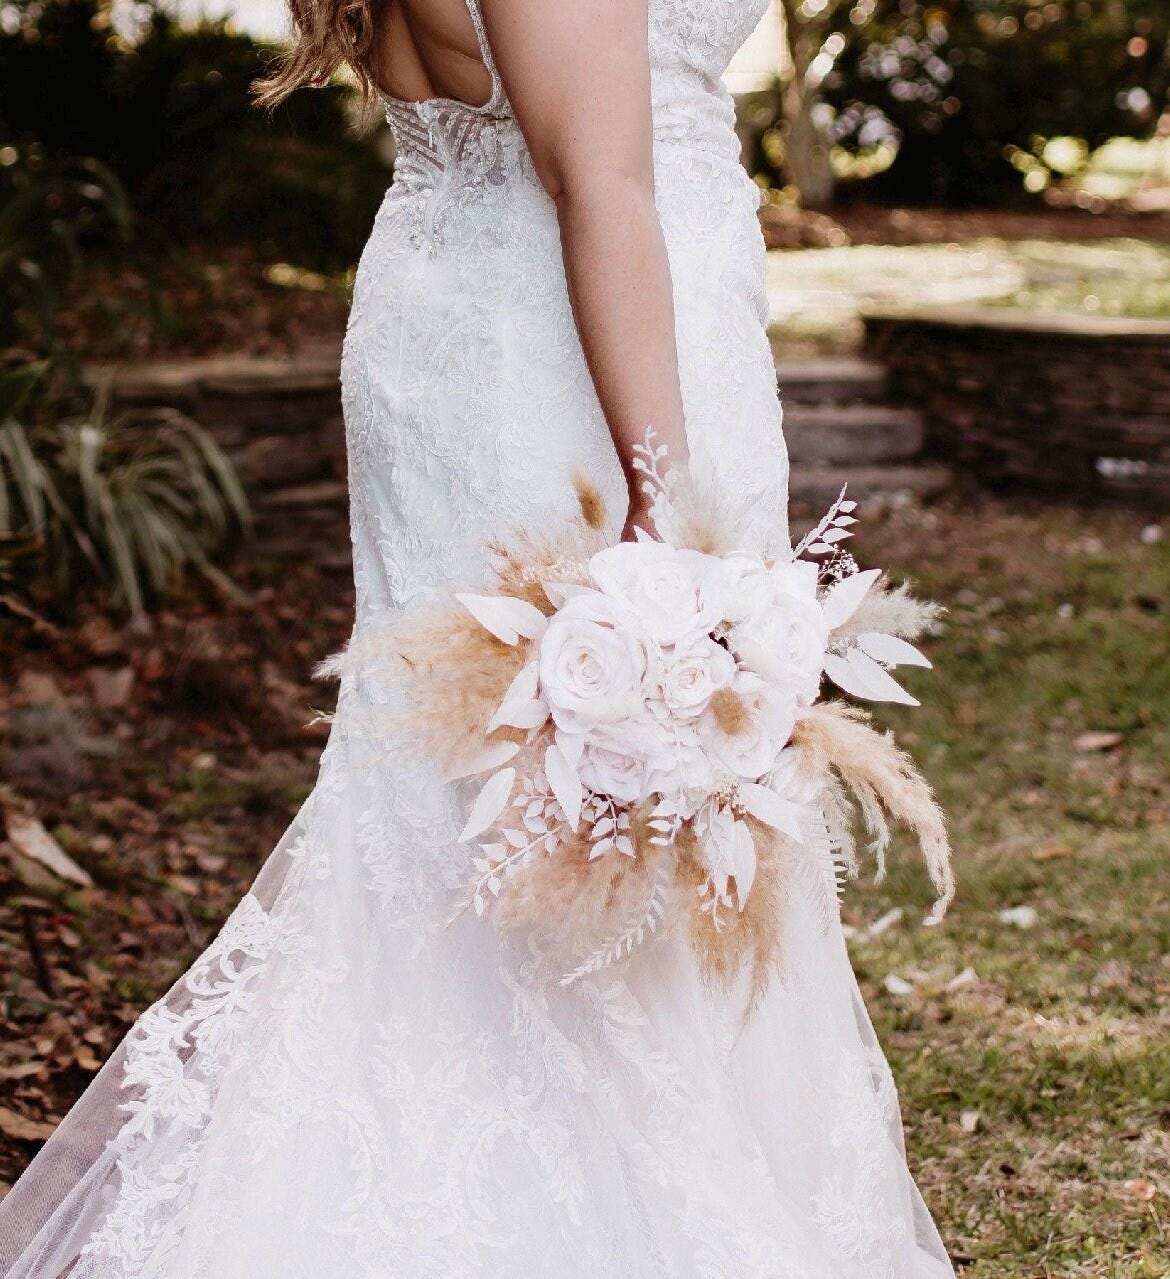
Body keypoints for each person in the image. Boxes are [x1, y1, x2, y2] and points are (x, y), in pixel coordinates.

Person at [0, 1, 955, 1274]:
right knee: (569, 776)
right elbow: (602, 178)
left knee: (517, 792)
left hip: (531, 316)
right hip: (578, 352)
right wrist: (661, 506)